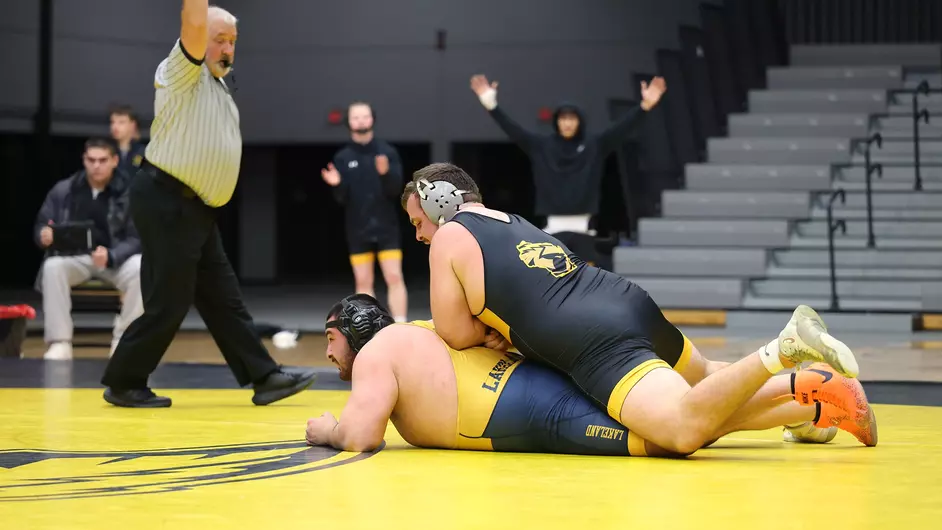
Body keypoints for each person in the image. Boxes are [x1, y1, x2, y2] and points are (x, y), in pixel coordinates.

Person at [398, 163, 877, 454]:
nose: (419, 234)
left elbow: (454, 332)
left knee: (683, 430)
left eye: (418, 221)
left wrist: (487, 335)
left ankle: (786, 352)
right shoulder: (516, 220)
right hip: (624, 300)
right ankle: (813, 403)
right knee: (706, 380)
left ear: (438, 201)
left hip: (593, 341)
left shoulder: (450, 237)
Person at [304, 294, 872, 454]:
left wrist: (325, 428)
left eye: (330, 340)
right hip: (523, 388)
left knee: (671, 434)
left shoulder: (378, 351)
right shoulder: (418, 330)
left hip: (519, 410)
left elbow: (361, 436)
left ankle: (797, 378)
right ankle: (812, 402)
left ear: (353, 330)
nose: (328, 354)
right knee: (672, 420)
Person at [100, 2, 316, 408]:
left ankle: (265, 377)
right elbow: (194, 22)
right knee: (169, 301)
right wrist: (199, 20)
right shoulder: (184, 72)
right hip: (167, 199)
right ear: (199, 41)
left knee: (222, 297)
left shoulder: (218, 86)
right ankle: (124, 381)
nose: (227, 48)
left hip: (194, 208)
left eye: (233, 41)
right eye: (219, 40)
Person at [469, 73, 665, 236]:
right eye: (563, 118)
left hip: (585, 226)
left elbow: (621, 129)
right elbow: (513, 130)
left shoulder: (594, 145)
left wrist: (644, 107)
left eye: (572, 118)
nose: (567, 123)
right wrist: (491, 106)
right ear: (556, 121)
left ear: (580, 121)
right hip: (552, 226)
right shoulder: (541, 146)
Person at [33, 138, 143, 360]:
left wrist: (112, 255)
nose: (96, 165)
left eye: (102, 160)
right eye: (91, 160)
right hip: (76, 258)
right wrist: (43, 235)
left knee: (142, 267)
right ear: (84, 160)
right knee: (53, 266)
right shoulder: (65, 189)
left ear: (114, 161)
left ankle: (125, 341)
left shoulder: (130, 192)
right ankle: (59, 342)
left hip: (115, 260)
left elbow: (138, 237)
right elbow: (42, 224)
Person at [321, 102, 408, 322]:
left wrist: (386, 173)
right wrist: (337, 184)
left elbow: (396, 190)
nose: (360, 120)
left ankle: (400, 324)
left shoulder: (387, 152)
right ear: (349, 122)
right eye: (355, 117)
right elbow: (341, 199)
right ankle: (369, 328)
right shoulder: (343, 157)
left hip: (387, 227)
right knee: (363, 282)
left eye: (364, 116)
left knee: (394, 276)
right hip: (357, 228)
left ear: (372, 119)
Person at [109, 105, 147, 176]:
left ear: (133, 125)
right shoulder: (107, 150)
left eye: (121, 122)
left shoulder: (143, 152)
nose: (115, 127)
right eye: (112, 122)